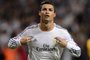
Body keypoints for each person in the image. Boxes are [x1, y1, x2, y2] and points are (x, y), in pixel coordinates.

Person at [8, 0, 81, 60]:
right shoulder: (30, 31)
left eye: (50, 10)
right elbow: (10, 44)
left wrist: (66, 44)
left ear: (54, 14)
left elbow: (78, 52)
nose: (47, 12)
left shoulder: (62, 32)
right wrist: (20, 41)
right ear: (40, 13)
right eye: (44, 9)